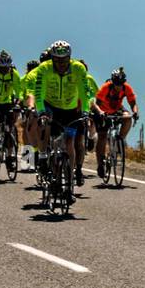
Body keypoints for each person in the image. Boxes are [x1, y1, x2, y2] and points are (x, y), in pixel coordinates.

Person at [30, 41, 90, 194]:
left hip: (71, 110)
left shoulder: (78, 68)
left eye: (64, 59)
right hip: (50, 106)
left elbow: (84, 92)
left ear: (69, 57)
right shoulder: (44, 68)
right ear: (52, 58)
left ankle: (69, 184)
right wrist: (41, 111)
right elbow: (38, 92)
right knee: (45, 125)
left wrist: (85, 111)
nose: (61, 63)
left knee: (69, 141)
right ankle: (43, 156)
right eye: (57, 59)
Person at [92, 67, 138, 169]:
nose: (119, 86)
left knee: (127, 117)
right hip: (103, 111)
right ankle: (100, 163)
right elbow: (96, 104)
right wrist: (101, 113)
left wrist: (135, 112)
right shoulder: (106, 87)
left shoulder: (127, 88)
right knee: (102, 136)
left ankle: (119, 141)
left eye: (121, 84)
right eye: (117, 84)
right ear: (113, 82)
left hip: (117, 109)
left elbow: (133, 103)